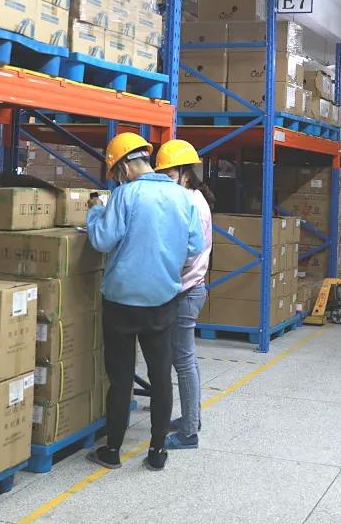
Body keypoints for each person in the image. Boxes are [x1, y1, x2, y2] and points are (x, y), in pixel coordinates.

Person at [85, 132, 204, 472]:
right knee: (161, 376)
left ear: (124, 166)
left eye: (116, 172)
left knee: (121, 378)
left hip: (121, 302)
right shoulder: (182, 196)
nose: (117, 179)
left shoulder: (124, 195)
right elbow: (194, 246)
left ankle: (112, 451)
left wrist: (95, 213)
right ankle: (157, 451)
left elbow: (102, 240)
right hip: (163, 300)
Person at [153, 139, 214, 450]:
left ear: (185, 175)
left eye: (169, 176)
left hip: (186, 291)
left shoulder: (191, 205)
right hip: (189, 288)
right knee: (185, 358)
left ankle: (189, 432)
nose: (166, 182)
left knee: (184, 360)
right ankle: (192, 418)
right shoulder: (192, 198)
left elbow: (187, 253)